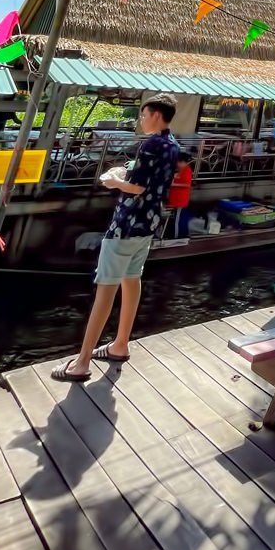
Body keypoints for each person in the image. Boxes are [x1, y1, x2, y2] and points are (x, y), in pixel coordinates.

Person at [51, 96, 180, 382]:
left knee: (104, 291)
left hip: (125, 226)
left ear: (156, 115)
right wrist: (124, 173)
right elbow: (147, 178)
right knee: (131, 279)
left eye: (144, 115)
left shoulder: (151, 144)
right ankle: (120, 344)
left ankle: (82, 363)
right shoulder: (173, 145)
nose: (141, 120)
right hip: (148, 225)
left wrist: (113, 182)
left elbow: (137, 186)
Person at [166, 151, 193, 238]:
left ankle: (176, 237)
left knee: (177, 220)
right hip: (174, 199)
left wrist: (173, 184)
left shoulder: (187, 170)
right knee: (173, 219)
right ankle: (172, 235)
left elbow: (187, 184)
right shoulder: (179, 170)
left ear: (182, 162)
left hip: (180, 200)